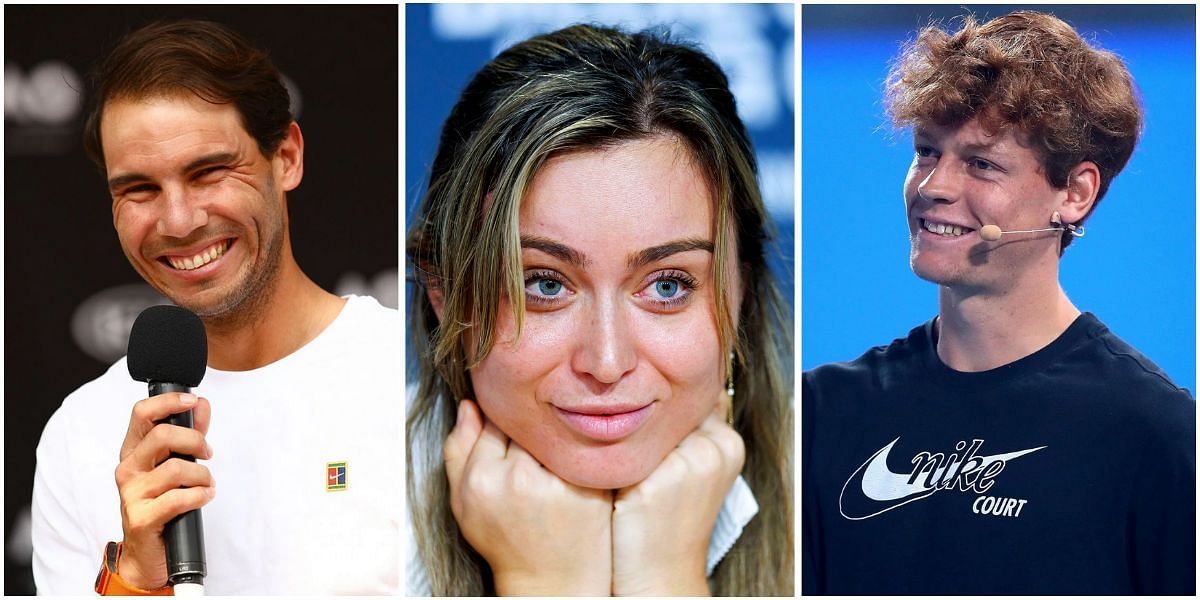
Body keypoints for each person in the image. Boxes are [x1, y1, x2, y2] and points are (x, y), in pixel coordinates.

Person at [802, 10, 1195, 595]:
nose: (934, 187)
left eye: (982, 164)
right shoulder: (821, 411)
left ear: (1075, 193)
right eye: (927, 152)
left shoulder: (1158, 433)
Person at [406, 24, 793, 596]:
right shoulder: (362, 509)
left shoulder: (831, 484)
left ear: (741, 290)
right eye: (542, 284)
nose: (607, 362)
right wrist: (545, 583)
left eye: (667, 286)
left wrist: (665, 579)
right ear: (444, 294)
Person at [31, 20, 400, 594]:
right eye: (140, 189)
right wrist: (133, 577)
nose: (179, 222)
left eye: (208, 172)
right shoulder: (78, 435)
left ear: (287, 158)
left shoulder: (412, 378)